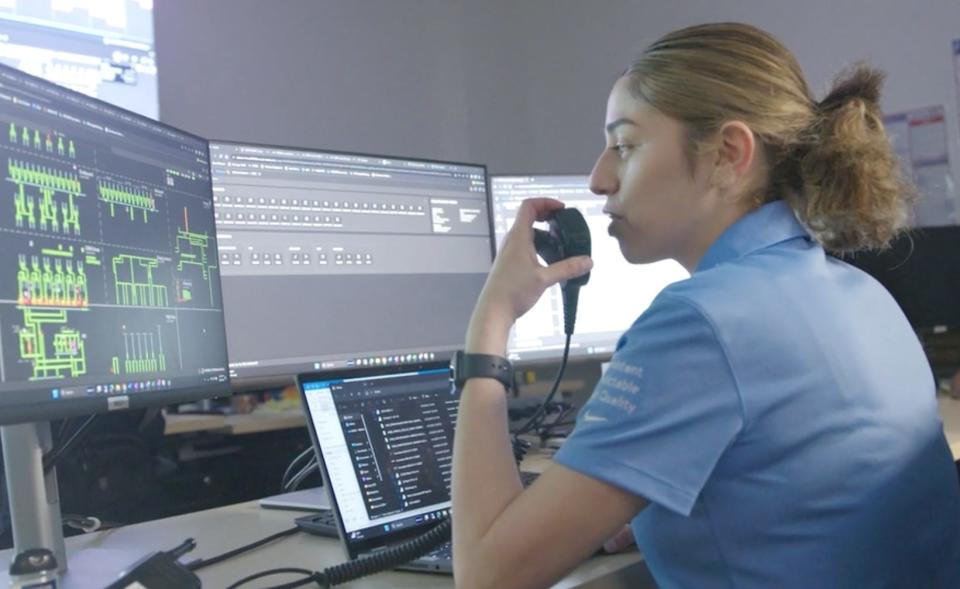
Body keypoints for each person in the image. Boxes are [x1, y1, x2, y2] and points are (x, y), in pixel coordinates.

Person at [451, 22, 960, 589]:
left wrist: (490, 325)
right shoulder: (863, 293)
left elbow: (487, 577)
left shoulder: (701, 323)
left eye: (624, 146)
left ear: (728, 154)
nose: (599, 179)